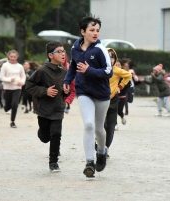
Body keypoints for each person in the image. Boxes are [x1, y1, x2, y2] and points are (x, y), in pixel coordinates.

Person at [63, 15, 113, 178]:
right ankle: (89, 161)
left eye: (97, 30)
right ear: (83, 31)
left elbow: (108, 72)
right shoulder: (75, 48)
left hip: (102, 94)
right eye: (92, 30)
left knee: (99, 129)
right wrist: (67, 79)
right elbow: (73, 65)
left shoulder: (101, 49)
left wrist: (89, 70)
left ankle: (101, 152)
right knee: (89, 125)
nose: (95, 33)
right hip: (84, 91)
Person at [26, 41, 69, 172]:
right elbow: (29, 86)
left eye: (64, 51)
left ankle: (53, 162)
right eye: (59, 51)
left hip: (58, 108)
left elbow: (70, 89)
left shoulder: (65, 72)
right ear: (51, 55)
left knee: (56, 134)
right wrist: (45, 91)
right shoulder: (41, 71)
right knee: (45, 138)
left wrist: (66, 92)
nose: (63, 54)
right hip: (44, 109)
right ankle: (41, 133)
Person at [104, 48, 131, 157]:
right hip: (100, 100)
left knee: (110, 126)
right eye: (108, 56)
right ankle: (99, 145)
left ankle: (106, 148)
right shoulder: (98, 69)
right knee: (101, 125)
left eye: (112, 57)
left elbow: (129, 76)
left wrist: (120, 86)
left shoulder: (116, 70)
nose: (110, 59)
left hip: (113, 100)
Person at [0, 50, 26, 128]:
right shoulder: (5, 65)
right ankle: (6, 107)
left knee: (14, 104)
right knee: (7, 106)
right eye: (11, 56)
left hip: (17, 87)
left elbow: (23, 76)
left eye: (14, 57)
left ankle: (12, 121)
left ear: (17, 57)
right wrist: (9, 80)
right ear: (8, 57)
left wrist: (22, 82)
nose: (13, 58)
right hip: (7, 88)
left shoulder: (20, 66)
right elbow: (1, 77)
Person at [116, 59, 131, 130]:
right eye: (116, 65)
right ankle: (115, 124)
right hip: (113, 95)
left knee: (119, 110)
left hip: (121, 95)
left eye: (118, 65)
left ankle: (122, 116)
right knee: (113, 110)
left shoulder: (124, 73)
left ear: (121, 66)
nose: (117, 66)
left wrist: (121, 87)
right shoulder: (112, 73)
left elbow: (128, 83)